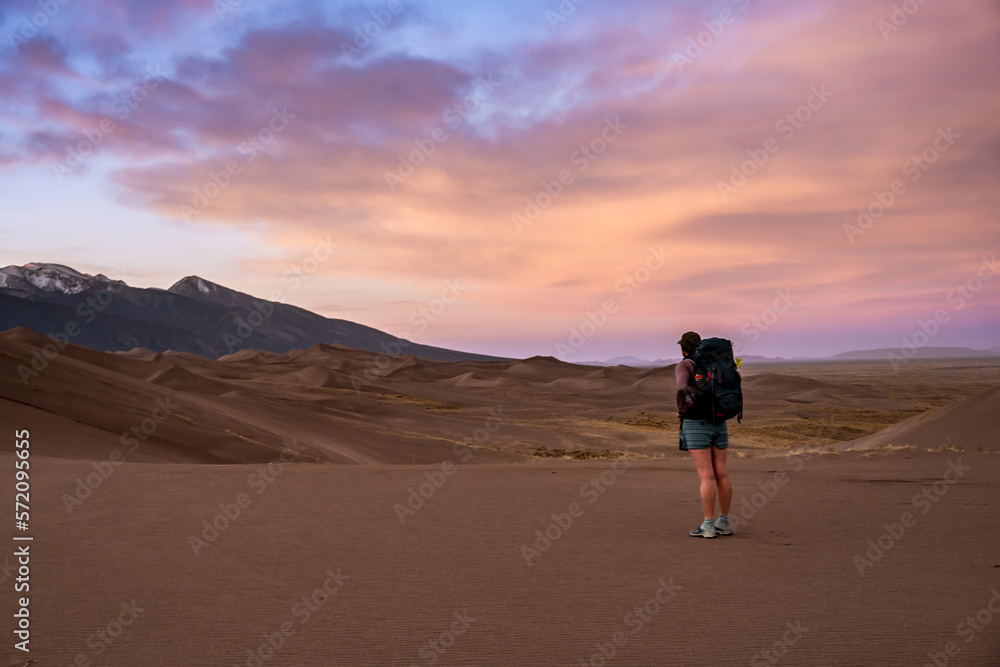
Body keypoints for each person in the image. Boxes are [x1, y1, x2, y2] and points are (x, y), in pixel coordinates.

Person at [675, 331, 732, 538]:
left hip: (696, 423)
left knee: (706, 476)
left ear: (684, 347)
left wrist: (682, 410)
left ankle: (708, 526)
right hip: (719, 422)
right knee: (722, 473)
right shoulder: (715, 363)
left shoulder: (685, 365)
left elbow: (681, 387)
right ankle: (724, 522)